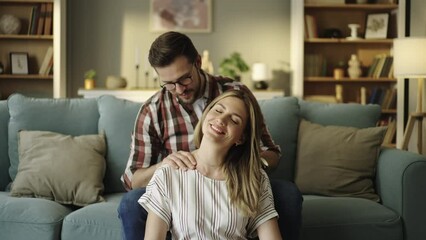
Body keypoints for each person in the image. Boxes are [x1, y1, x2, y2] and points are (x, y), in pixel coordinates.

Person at [118, 31, 302, 240]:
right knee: (131, 202)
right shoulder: (152, 111)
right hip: (180, 188)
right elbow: (132, 179)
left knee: (287, 194)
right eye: (169, 83)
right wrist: (165, 165)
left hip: (235, 179)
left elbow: (270, 152)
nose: (178, 89)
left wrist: (243, 165)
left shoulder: (233, 93)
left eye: (184, 78)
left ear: (198, 62)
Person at [139, 90, 282, 239]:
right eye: (218, 110)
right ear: (206, 114)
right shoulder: (169, 173)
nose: (221, 120)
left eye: (234, 120)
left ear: (241, 138)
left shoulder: (254, 179)